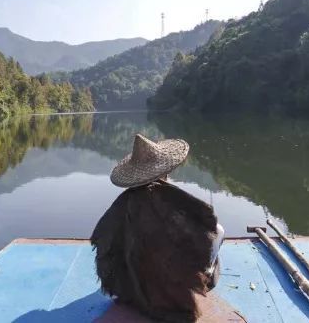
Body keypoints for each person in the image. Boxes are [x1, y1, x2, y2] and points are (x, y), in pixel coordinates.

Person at [91, 134, 225, 322]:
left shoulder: (121, 205)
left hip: (129, 289)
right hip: (168, 293)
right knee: (214, 237)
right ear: (166, 169)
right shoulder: (169, 201)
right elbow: (216, 233)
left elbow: (105, 244)